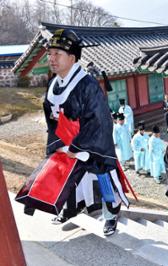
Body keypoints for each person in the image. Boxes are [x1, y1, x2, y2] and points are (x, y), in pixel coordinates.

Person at [39, 29, 129, 236]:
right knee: (68, 177)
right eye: (50, 53)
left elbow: (99, 120)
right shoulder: (53, 83)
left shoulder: (87, 85)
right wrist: (57, 143)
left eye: (57, 54)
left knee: (103, 177)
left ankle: (111, 214)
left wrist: (77, 146)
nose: (51, 59)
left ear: (72, 58)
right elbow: (50, 117)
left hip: (91, 144)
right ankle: (71, 208)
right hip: (66, 142)